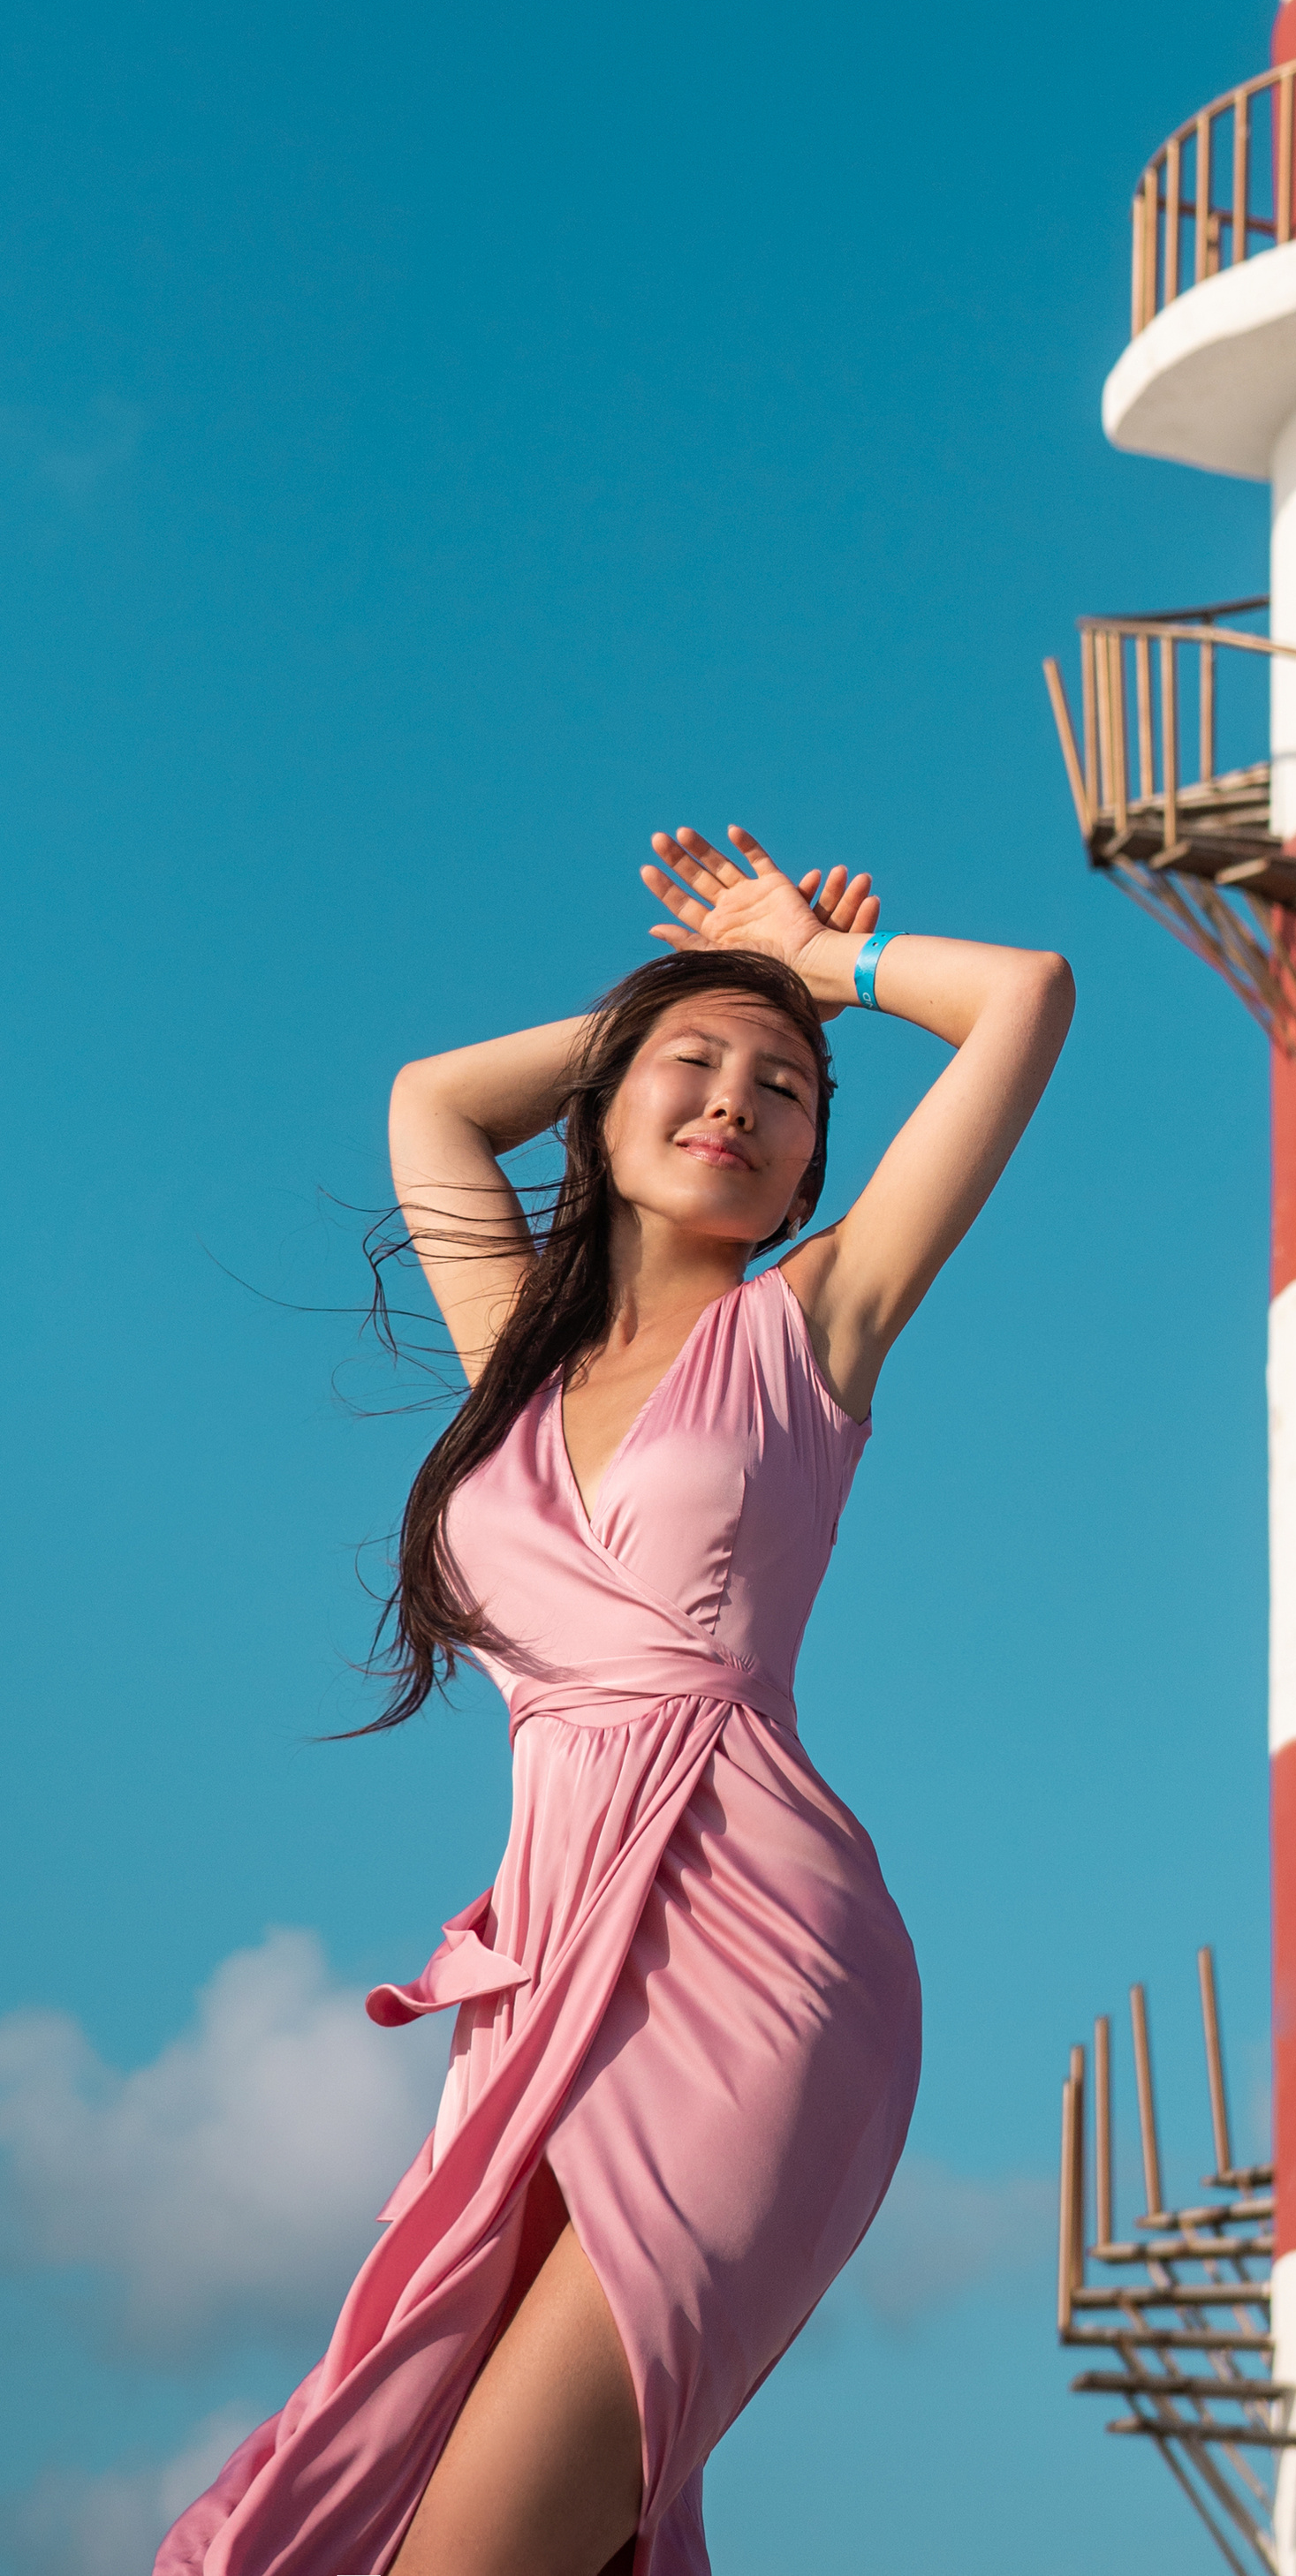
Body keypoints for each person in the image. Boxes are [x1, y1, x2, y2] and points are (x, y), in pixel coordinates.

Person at [157, 824, 1073, 2576]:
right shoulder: (512, 1356)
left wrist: (813, 966)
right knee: (426, 2502)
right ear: (602, 1106)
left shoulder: (813, 1323)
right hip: (552, 1960)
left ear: (812, 1170)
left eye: (788, 1088)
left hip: (764, 1961)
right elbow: (433, 1100)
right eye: (694, 1069)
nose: (739, 1096)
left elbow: (1025, 996)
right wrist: (681, 996)